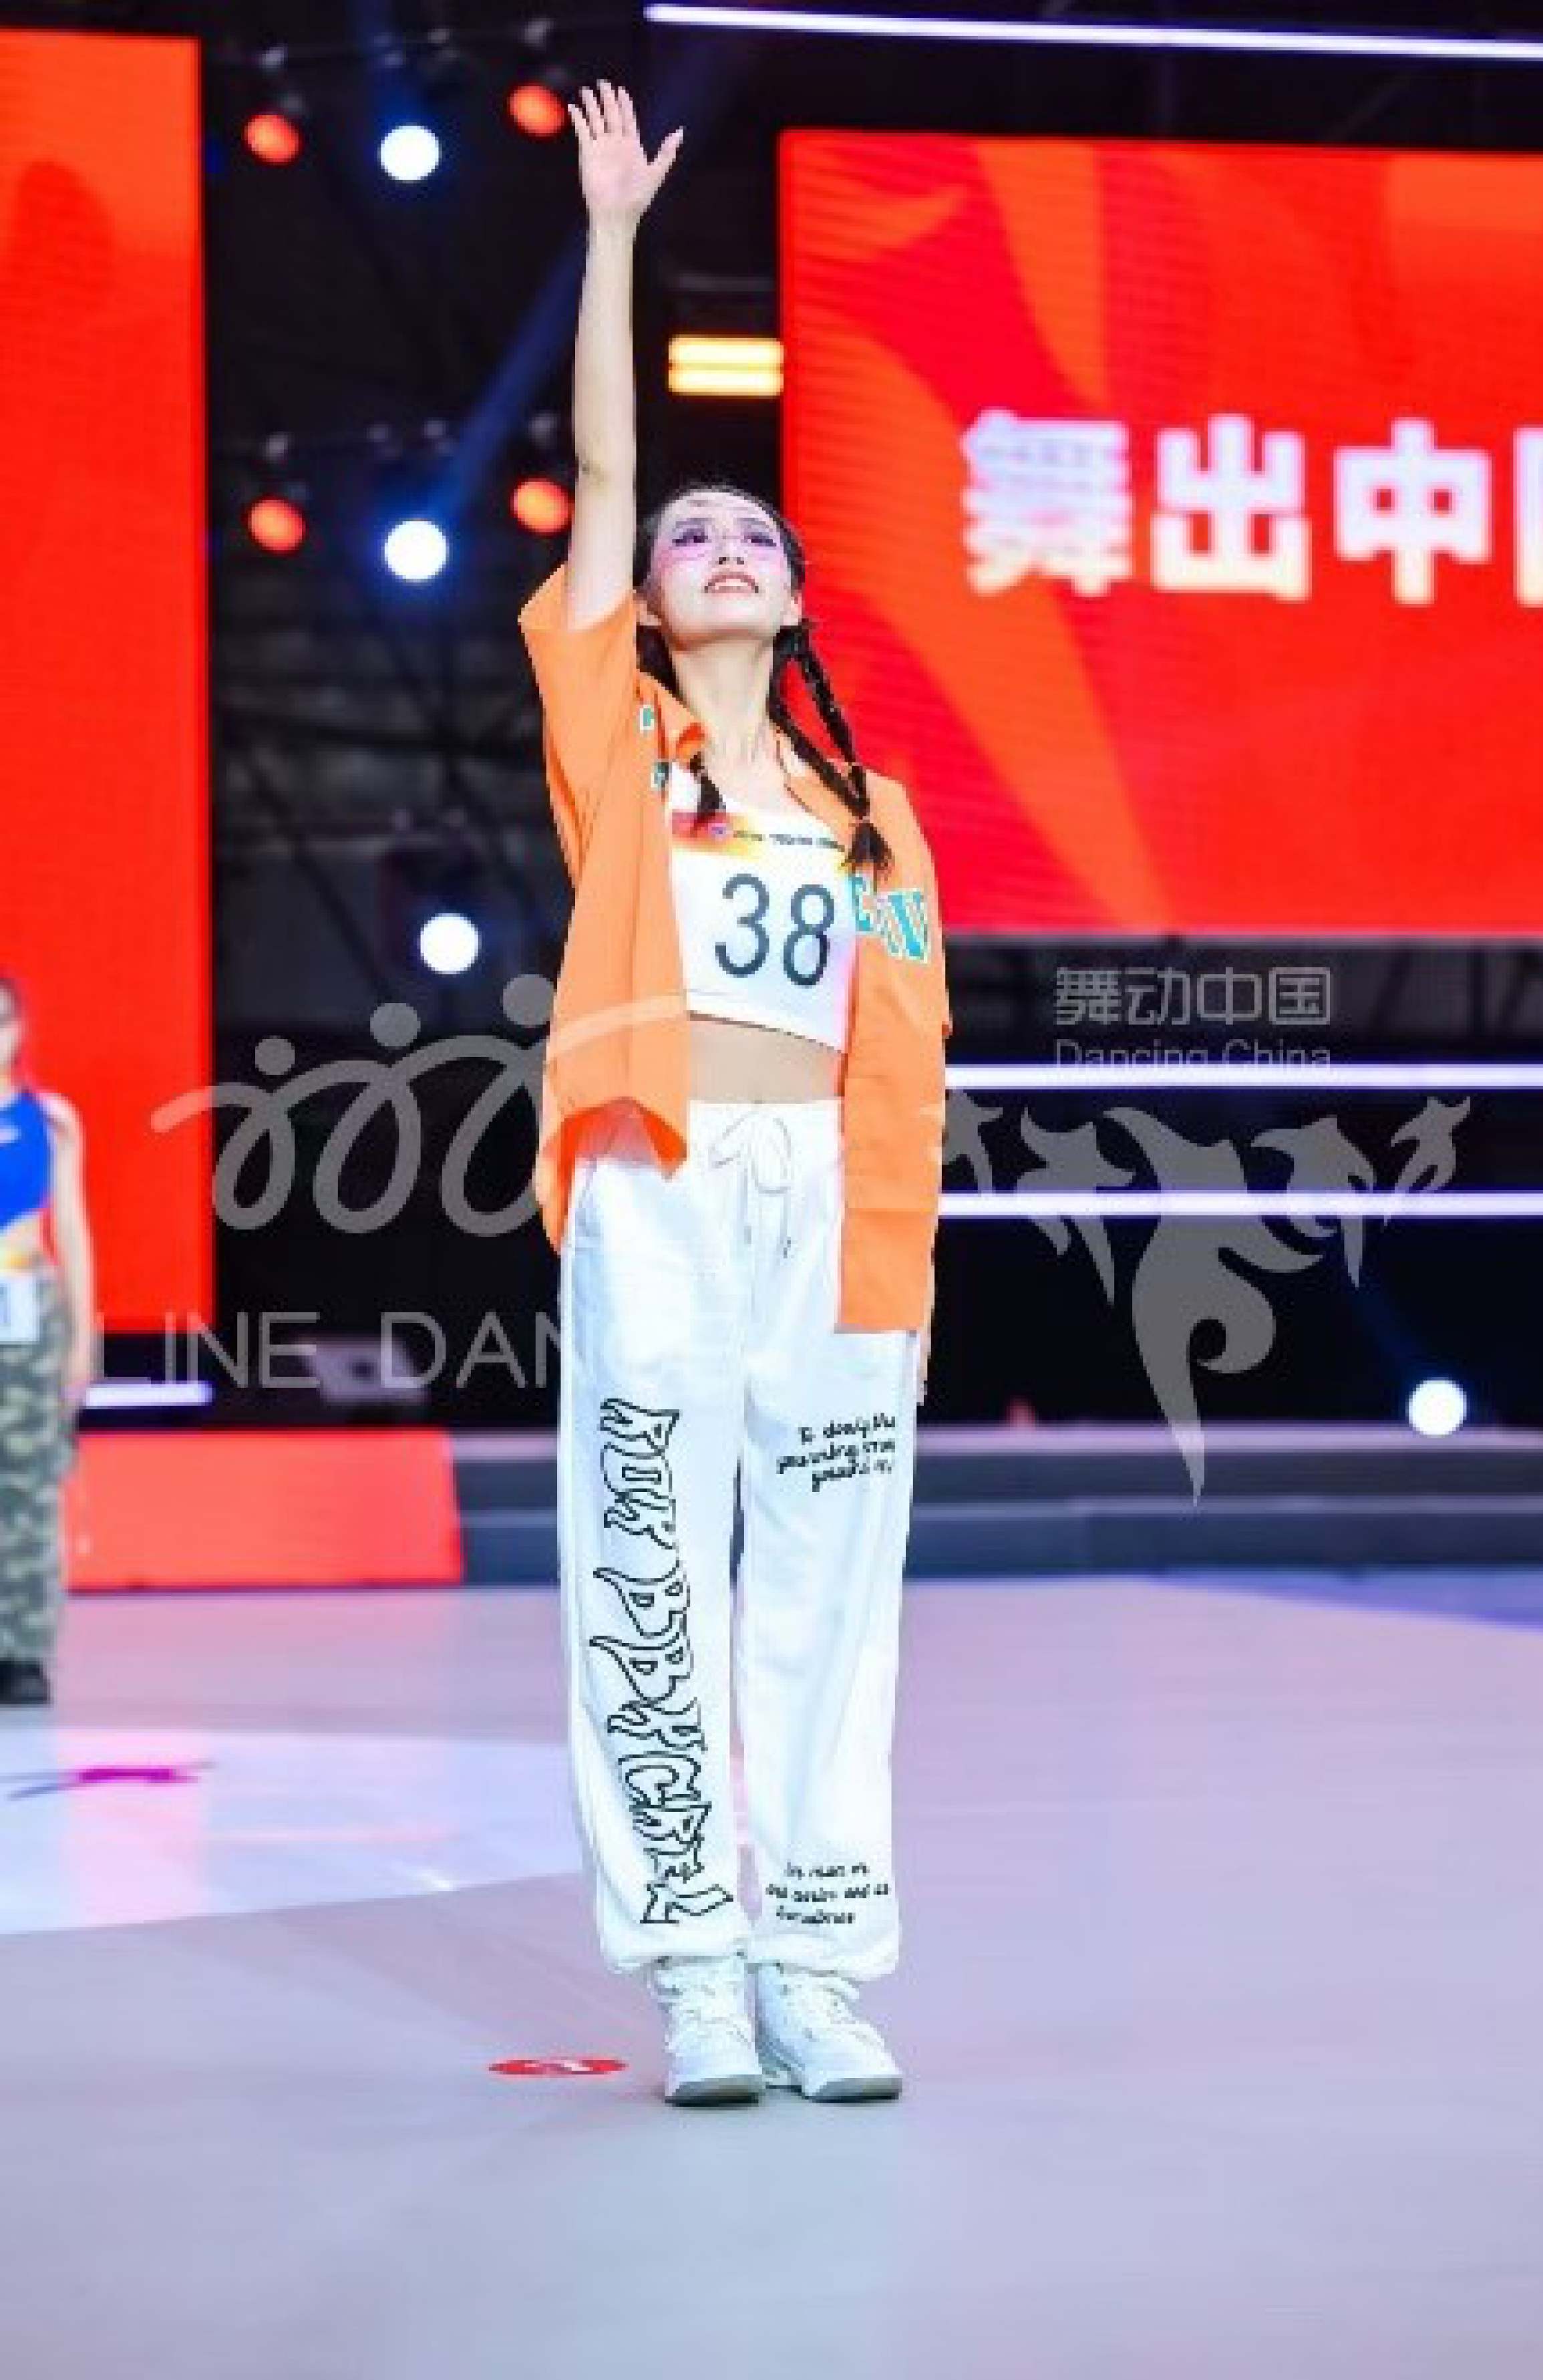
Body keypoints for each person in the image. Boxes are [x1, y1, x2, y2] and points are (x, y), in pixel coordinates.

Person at [517, 82, 951, 2107]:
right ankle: (693, 1958)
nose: (711, 546)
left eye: (747, 536)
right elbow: (607, 471)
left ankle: (817, 1961)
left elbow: (902, 1048)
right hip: (657, 1176)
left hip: (834, 1216)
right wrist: (612, 238)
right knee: (648, 1573)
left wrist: (896, 1264)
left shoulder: (871, 811)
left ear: (788, 598)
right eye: (687, 537)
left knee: (831, 1599)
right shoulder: (619, 750)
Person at [0, 975, 95, 1707]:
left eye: (3, 1020)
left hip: (27, 1307)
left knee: (28, 1488)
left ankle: (22, 1651)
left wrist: (81, 1339)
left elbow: (71, 1227)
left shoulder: (50, 1119)